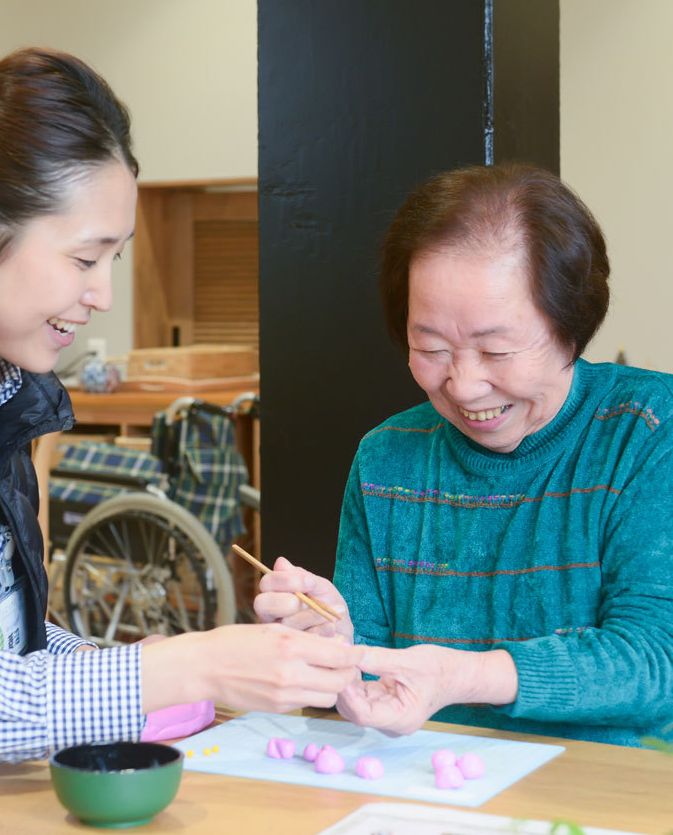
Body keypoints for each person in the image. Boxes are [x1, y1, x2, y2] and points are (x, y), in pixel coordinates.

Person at [0, 48, 364, 802]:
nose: (104, 295)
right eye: (86, 258)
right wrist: (185, 669)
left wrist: (187, 669)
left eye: (115, 258)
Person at [255, 162, 673, 747]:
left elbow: (656, 661)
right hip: (430, 794)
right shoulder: (387, 459)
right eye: (431, 347)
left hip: (607, 803)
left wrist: (465, 676)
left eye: (496, 350)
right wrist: (333, 650)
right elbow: (367, 684)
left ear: (571, 326)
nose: (464, 385)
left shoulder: (649, 430)